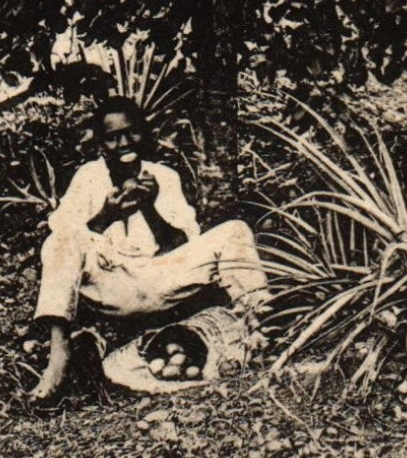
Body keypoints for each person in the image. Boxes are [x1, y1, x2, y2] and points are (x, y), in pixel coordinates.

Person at [29, 95, 267, 404]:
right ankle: (58, 358)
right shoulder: (88, 177)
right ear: (101, 143)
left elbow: (183, 247)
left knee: (235, 230)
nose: (124, 143)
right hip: (113, 284)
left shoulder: (164, 177)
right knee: (59, 240)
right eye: (113, 138)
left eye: (131, 132)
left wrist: (151, 207)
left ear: (145, 133)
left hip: (161, 279)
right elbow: (63, 241)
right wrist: (106, 216)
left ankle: (259, 327)